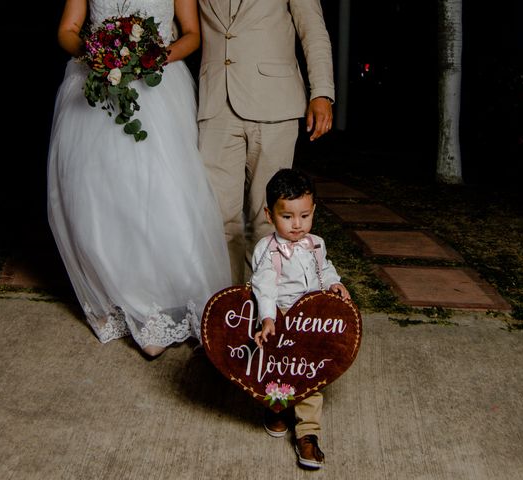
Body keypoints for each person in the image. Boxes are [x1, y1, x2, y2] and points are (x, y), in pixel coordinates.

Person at [47, 0, 231, 357]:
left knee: (161, 194)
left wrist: (152, 58)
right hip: (97, 90)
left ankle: (163, 304)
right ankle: (124, 301)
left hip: (158, 88)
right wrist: (98, 54)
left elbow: (192, 35)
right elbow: (67, 31)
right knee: (102, 198)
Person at [197, 0, 335, 284]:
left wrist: (321, 91)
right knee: (217, 218)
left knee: (269, 218)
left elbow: (313, 29)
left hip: (276, 103)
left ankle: (264, 304)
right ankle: (228, 307)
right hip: (215, 105)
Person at [250, 168, 351, 470]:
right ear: (269, 214)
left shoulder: (316, 243)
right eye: (288, 217)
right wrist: (268, 319)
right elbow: (264, 287)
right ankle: (277, 409)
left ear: (313, 211)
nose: (297, 225)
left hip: (311, 318)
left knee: (309, 373)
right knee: (280, 369)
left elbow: (325, 267)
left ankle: (308, 433)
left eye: (305, 216)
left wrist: (335, 282)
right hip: (280, 316)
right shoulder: (267, 251)